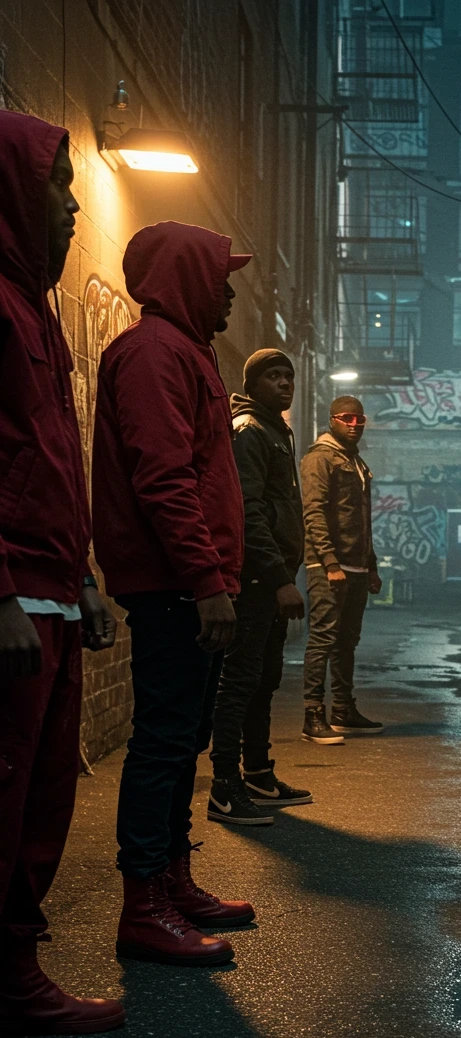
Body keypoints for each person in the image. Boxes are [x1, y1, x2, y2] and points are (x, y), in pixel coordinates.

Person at [0, 111, 122, 1038]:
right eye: (56, 185)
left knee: (38, 809)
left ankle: (16, 978)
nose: (74, 205)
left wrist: (77, 575)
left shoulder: (36, 313)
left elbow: (47, 462)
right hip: (7, 601)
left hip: (49, 591)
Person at [93, 221, 256, 966]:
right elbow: (164, 480)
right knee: (163, 739)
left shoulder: (188, 351)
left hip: (193, 583)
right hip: (173, 587)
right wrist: (205, 583)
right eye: (220, 276)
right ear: (188, 277)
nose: (229, 290)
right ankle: (144, 907)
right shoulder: (155, 353)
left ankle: (173, 880)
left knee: (184, 735)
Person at [208, 349, 312, 824]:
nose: (284, 383)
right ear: (252, 385)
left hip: (272, 578)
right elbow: (246, 509)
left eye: (289, 376)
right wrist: (276, 578)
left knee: (264, 679)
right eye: (274, 376)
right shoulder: (249, 431)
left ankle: (258, 772)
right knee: (240, 680)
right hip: (255, 579)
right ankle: (224, 786)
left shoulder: (275, 429)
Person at [300, 395, 382, 744]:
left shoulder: (355, 462)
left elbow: (363, 520)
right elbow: (314, 513)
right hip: (328, 566)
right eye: (347, 418)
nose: (354, 424)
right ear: (332, 420)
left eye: (359, 419)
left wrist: (371, 566)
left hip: (356, 566)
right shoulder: (320, 458)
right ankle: (313, 715)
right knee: (323, 638)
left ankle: (343, 710)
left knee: (346, 641)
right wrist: (330, 563)